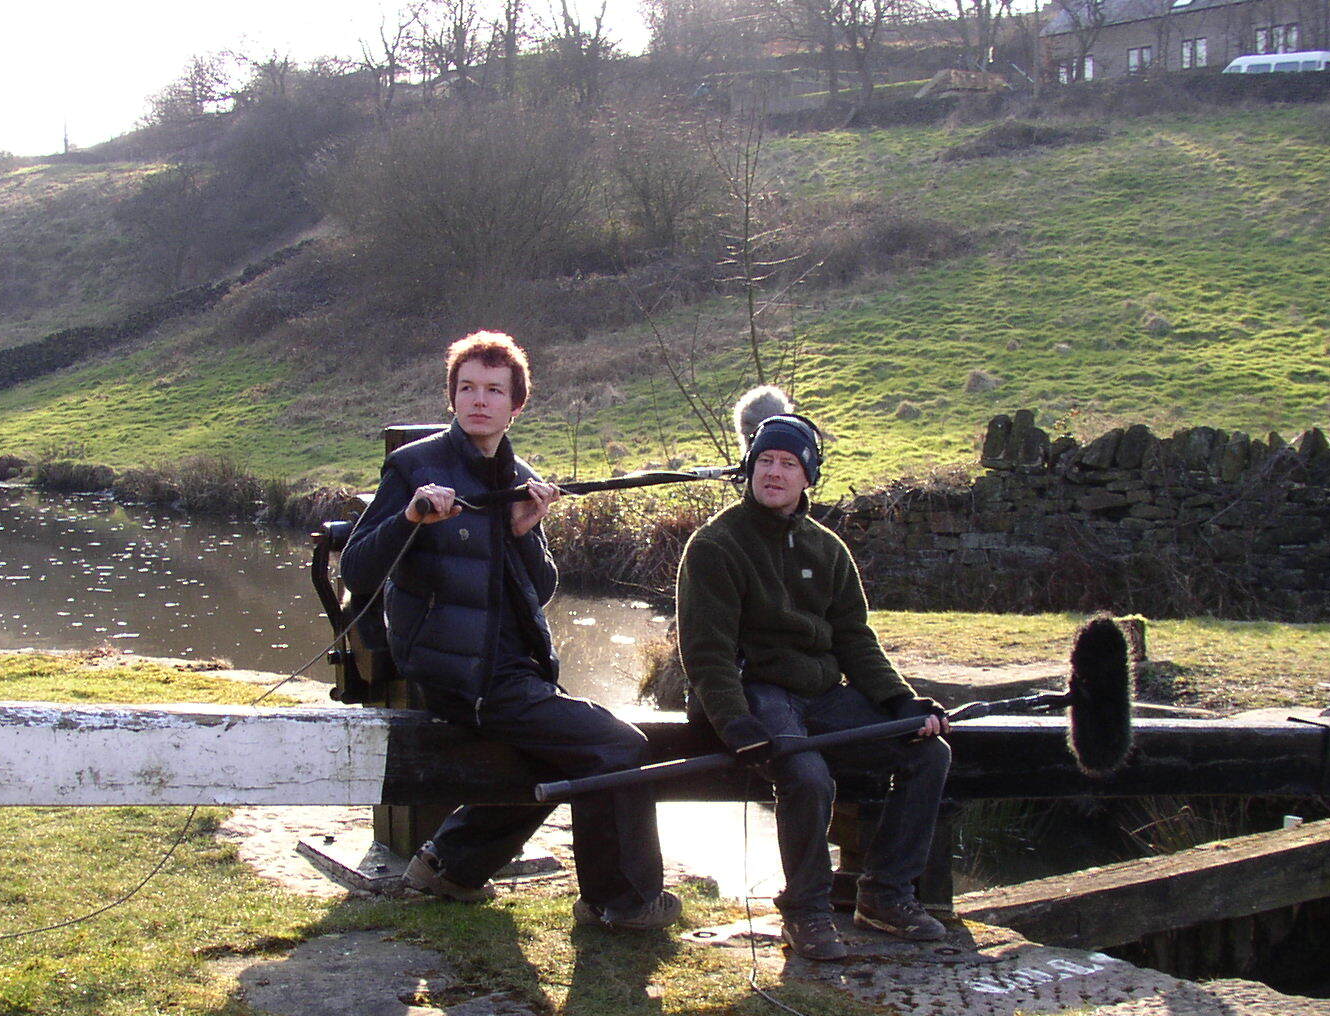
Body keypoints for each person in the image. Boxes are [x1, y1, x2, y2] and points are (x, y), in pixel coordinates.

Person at [340, 330, 679, 931]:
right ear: (452, 397)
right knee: (618, 747)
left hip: (507, 667)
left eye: (495, 390)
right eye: (467, 387)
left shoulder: (519, 476)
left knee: (558, 754)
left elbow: (539, 593)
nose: (479, 400)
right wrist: (411, 516)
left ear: (515, 405)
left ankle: (451, 865)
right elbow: (358, 569)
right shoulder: (414, 467)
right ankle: (623, 904)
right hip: (454, 671)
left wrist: (525, 533)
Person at [674, 387, 950, 961]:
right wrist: (735, 724)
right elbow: (707, 653)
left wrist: (901, 705)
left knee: (928, 754)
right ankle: (805, 911)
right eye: (765, 461)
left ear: (808, 478)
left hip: (822, 692)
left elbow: (855, 639)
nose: (774, 473)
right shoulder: (714, 545)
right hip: (759, 692)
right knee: (808, 775)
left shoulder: (828, 550)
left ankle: (885, 893)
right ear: (750, 467)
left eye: (789, 464)